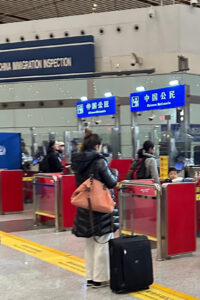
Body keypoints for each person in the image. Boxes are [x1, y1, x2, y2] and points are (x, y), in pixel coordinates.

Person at [71, 129, 119, 288]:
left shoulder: (77, 162)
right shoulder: (99, 161)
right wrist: (115, 172)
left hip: (85, 207)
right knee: (102, 242)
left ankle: (90, 277)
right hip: (100, 208)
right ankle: (100, 278)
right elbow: (111, 182)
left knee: (90, 243)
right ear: (97, 146)